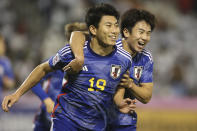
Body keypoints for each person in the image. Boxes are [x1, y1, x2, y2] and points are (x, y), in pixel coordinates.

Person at [2, 3, 135, 131]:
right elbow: (43, 69)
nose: (114, 31)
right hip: (66, 119)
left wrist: (119, 103)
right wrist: (17, 94)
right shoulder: (71, 53)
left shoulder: (124, 59)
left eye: (116, 26)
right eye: (108, 26)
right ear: (93, 30)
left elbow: (117, 88)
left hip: (97, 124)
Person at [66, 8, 156, 131]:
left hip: (123, 120)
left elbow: (146, 96)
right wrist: (79, 58)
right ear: (126, 32)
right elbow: (77, 34)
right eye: (141, 32)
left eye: (148, 33)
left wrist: (130, 84)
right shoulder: (108, 46)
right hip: (94, 117)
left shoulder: (146, 58)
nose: (145, 37)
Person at [31, 22, 88, 131]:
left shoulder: (89, 66)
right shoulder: (56, 62)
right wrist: (46, 100)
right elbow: (34, 82)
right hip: (45, 118)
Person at [0, 34, 15, 104]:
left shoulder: (5, 62)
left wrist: (3, 79)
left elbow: (11, 83)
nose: (4, 46)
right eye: (2, 43)